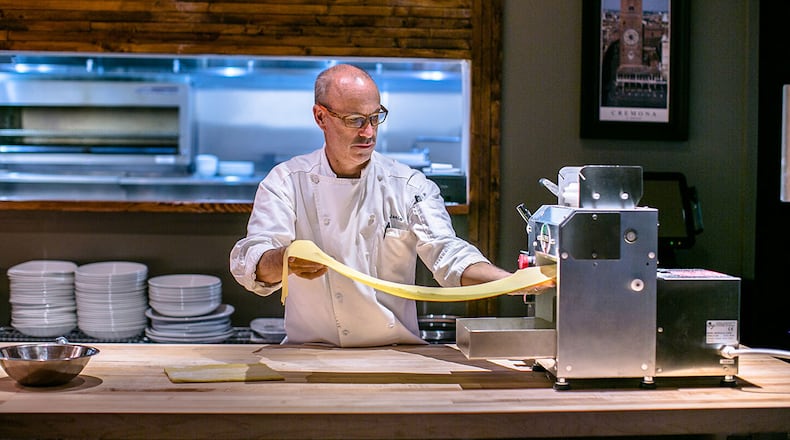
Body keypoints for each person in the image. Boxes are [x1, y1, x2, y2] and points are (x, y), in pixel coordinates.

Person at [230, 63, 539, 347]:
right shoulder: (287, 181)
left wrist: (512, 283)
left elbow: (448, 254)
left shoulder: (408, 185)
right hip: (309, 352)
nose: (369, 132)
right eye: (355, 120)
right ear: (320, 117)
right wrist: (285, 260)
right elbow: (251, 260)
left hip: (394, 351)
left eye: (375, 117)